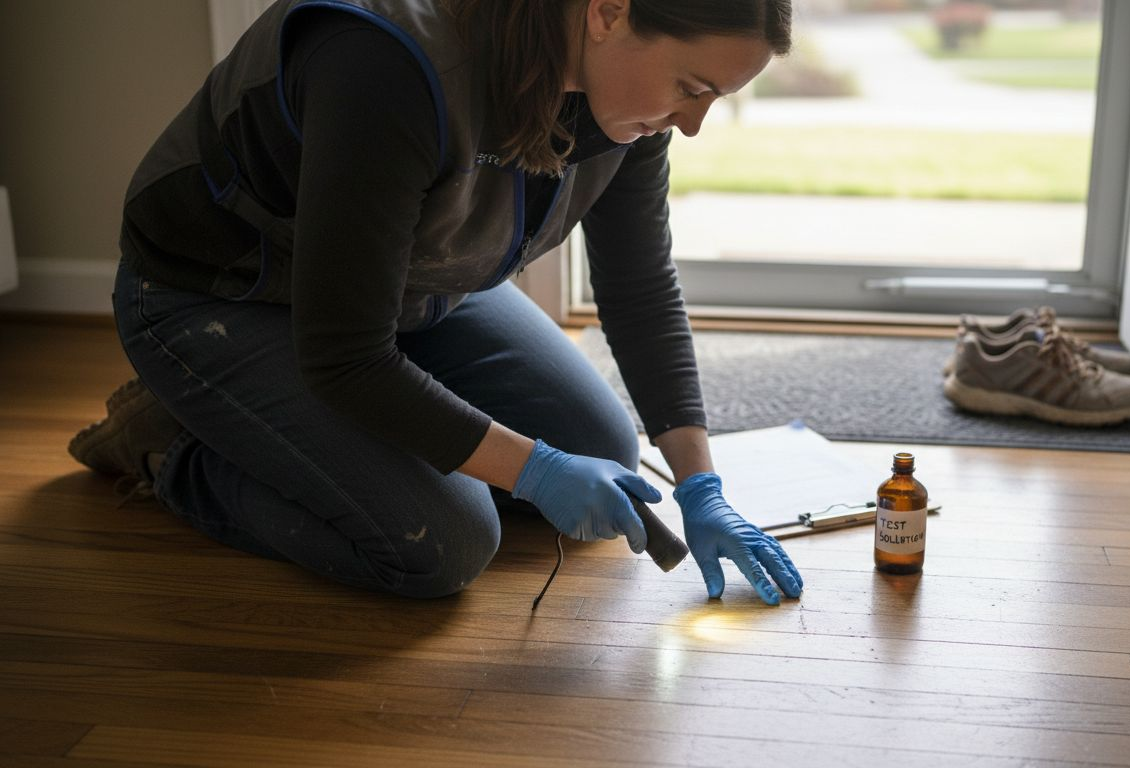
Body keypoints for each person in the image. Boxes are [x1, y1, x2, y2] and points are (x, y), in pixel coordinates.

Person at [69, 0, 803, 605]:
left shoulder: (628, 104)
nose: (693, 122)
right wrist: (534, 469)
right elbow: (346, 357)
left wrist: (701, 484)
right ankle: (174, 448)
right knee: (444, 544)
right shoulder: (389, 60)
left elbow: (639, 287)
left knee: (605, 456)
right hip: (218, 297)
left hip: (409, 291)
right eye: (692, 88)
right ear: (609, 12)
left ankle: (306, 426)